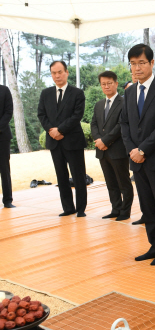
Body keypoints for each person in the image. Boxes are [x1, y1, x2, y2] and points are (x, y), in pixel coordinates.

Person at [120, 44, 155, 266]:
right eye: (133, 63)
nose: (137, 68)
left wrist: (143, 149)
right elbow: (124, 124)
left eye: (141, 62)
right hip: (137, 160)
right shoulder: (130, 91)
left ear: (152, 63)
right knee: (146, 207)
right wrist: (132, 150)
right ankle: (154, 244)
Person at [37, 61, 87, 217]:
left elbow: (77, 116)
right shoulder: (46, 93)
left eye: (60, 72)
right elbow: (41, 114)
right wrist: (52, 131)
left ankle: (80, 209)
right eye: (53, 73)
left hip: (72, 140)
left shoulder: (77, 93)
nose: (57, 75)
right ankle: (67, 208)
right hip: (54, 141)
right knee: (61, 176)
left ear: (67, 72)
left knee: (78, 176)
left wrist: (61, 130)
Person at [90, 70, 133, 221]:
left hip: (118, 149)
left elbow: (121, 125)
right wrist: (98, 140)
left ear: (116, 84)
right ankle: (115, 208)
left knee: (123, 182)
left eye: (109, 83)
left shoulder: (124, 102)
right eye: (103, 84)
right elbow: (94, 124)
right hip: (102, 150)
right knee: (110, 182)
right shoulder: (99, 104)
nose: (106, 86)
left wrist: (105, 141)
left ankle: (125, 211)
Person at [0, 84, 13, 208]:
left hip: (2, 136)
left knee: (4, 169)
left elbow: (9, 112)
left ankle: (7, 200)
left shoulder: (4, 90)